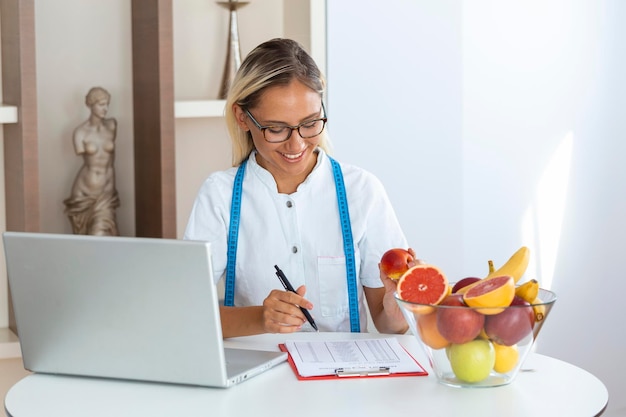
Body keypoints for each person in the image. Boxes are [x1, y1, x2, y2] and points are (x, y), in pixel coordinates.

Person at [184, 38, 414, 337]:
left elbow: (388, 324)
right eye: (276, 129)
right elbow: (188, 311)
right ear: (243, 118)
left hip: (341, 378)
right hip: (254, 378)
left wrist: (398, 309)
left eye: (310, 123)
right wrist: (260, 318)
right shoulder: (220, 195)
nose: (296, 144)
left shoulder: (362, 191)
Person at [64, 86, 120, 236]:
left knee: (101, 237)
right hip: (84, 194)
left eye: (107, 104)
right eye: (101, 104)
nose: (105, 109)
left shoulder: (112, 126)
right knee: (88, 240)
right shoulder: (80, 133)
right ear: (90, 104)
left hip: (106, 195)